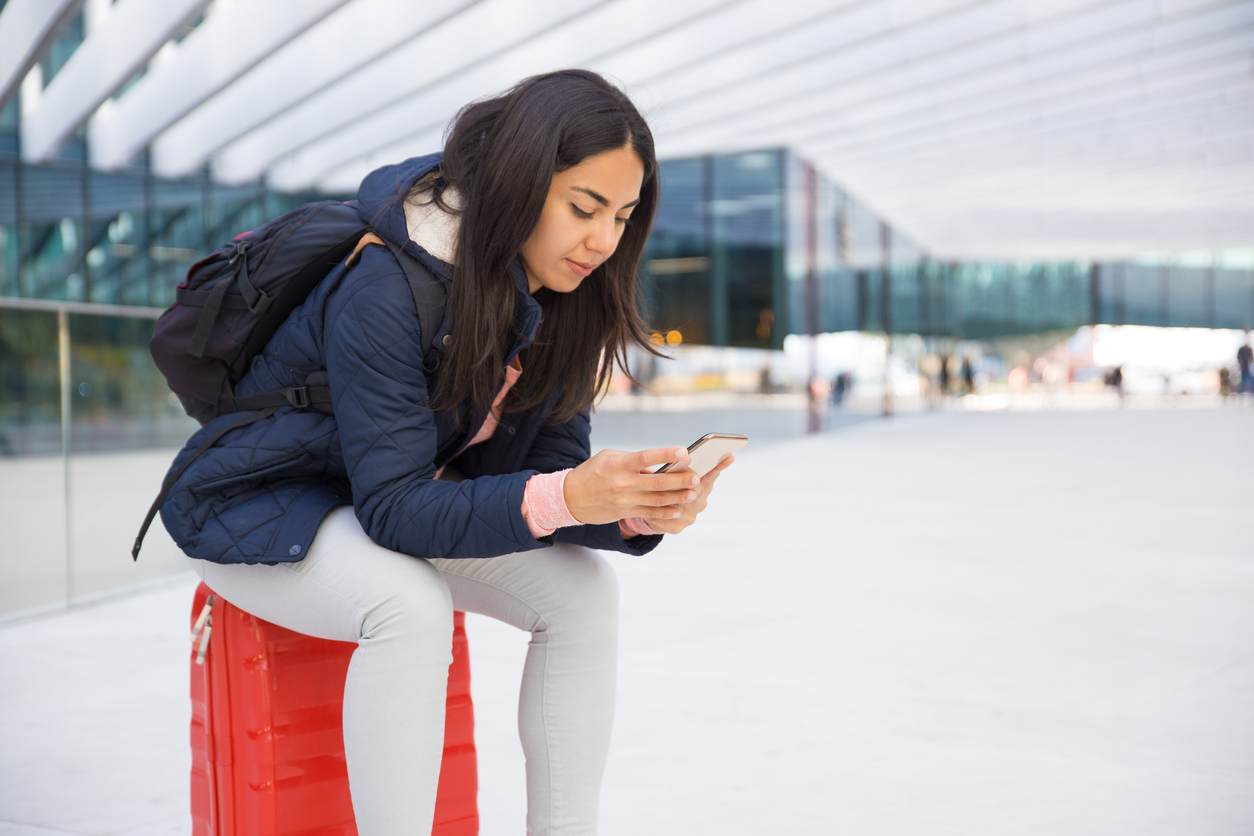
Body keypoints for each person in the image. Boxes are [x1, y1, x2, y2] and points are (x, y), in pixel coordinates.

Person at [157, 70, 733, 836]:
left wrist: (625, 508)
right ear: (522, 182)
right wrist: (569, 496)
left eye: (623, 217)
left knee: (586, 595)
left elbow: (534, 480)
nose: (602, 240)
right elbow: (399, 510)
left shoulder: (564, 298)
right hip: (259, 498)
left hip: (376, 502)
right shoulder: (388, 282)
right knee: (408, 607)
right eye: (582, 208)